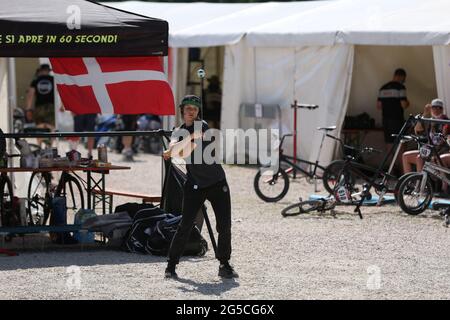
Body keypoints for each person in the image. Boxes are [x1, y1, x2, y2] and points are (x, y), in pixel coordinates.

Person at [162, 95, 238, 280]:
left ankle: (224, 264)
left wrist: (176, 147)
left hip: (217, 182)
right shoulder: (178, 131)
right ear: (182, 110)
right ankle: (171, 266)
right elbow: (175, 150)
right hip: (195, 185)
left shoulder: (202, 126)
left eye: (194, 109)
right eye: (188, 108)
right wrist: (177, 147)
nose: (191, 111)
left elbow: (180, 151)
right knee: (185, 225)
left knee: (224, 225)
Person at [403, 99, 450, 179]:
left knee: (419, 158)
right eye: (434, 107)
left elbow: (443, 140)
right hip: (430, 150)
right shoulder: (429, 120)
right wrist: (425, 114)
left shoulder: (445, 121)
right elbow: (417, 130)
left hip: (440, 151)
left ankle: (421, 185)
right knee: (406, 156)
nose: (436, 110)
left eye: (439, 108)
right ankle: (409, 183)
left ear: (442, 109)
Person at [377, 68, 410, 173]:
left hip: (386, 120)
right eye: (403, 79)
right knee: (401, 146)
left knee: (389, 146)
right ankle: (403, 172)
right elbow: (404, 105)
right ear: (400, 76)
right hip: (397, 120)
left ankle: (391, 172)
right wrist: (408, 103)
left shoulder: (383, 88)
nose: (403, 81)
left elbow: (378, 106)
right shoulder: (400, 87)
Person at [26, 64, 55, 129]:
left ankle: (41, 139)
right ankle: (50, 139)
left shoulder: (36, 80)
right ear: (48, 71)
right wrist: (62, 105)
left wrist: (28, 109)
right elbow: (58, 93)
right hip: (51, 106)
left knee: (39, 126)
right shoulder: (53, 80)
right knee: (51, 126)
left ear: (41, 71)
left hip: (39, 106)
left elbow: (30, 94)